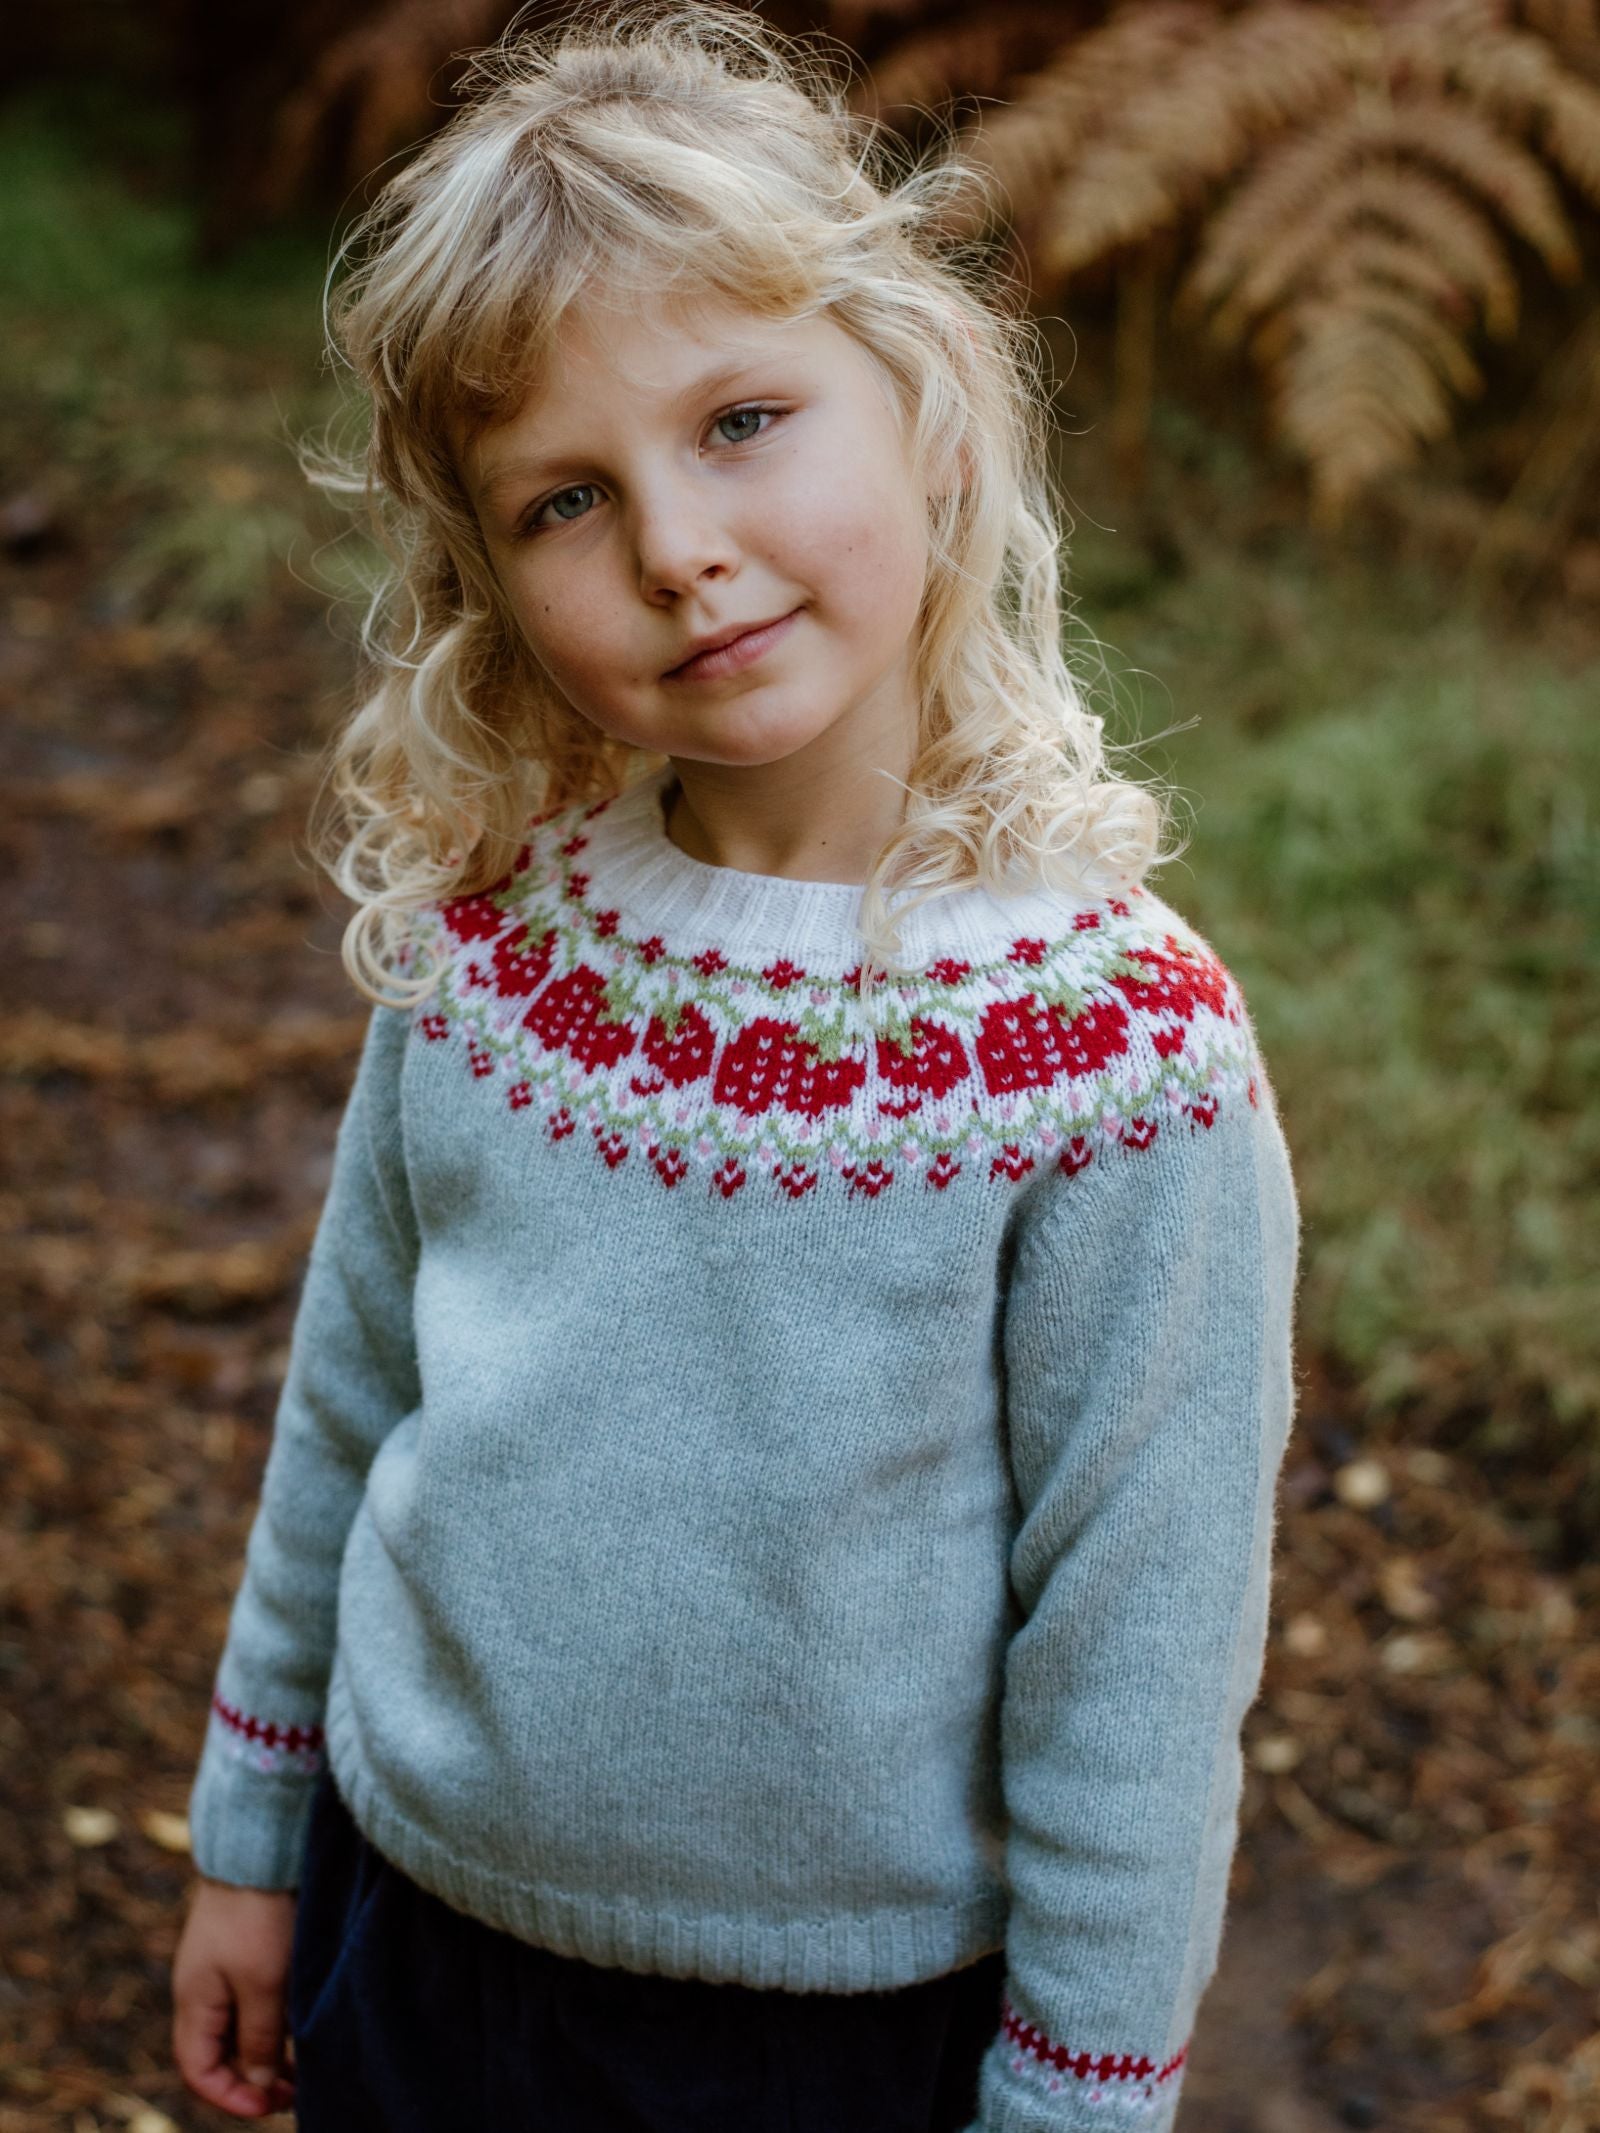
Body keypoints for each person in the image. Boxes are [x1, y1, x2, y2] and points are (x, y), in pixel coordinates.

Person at [169, 4, 1300, 2128]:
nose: (676, 543)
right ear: (488, 586)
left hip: (829, 2040)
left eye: (745, 417)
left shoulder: (1114, 1053)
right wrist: (253, 1829)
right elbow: (351, 1398)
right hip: (404, 1927)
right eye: (565, 497)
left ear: (927, 401)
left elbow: (1136, 1655)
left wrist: (1078, 2091)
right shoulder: (496, 938)